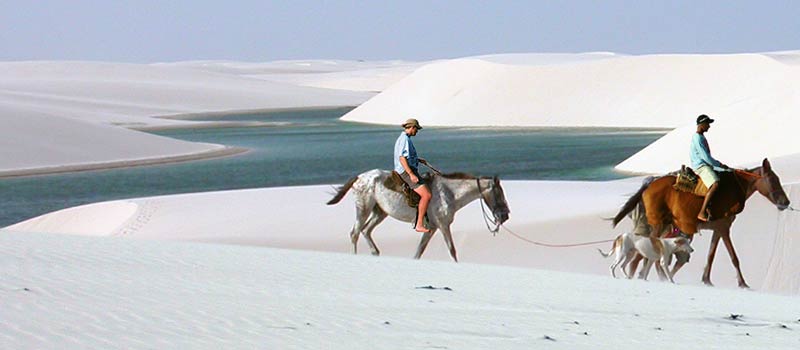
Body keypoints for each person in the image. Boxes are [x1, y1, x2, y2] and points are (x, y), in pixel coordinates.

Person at [394, 118, 432, 233]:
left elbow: (406, 156)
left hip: (407, 168)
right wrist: (411, 174)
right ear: (412, 128)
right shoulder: (405, 139)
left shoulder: (403, 138)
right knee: (427, 195)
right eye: (416, 129)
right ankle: (419, 224)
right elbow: (402, 158)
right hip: (406, 171)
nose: (417, 132)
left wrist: (417, 159)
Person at [690, 114, 730, 221]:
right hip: (701, 166)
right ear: (701, 124)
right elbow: (705, 157)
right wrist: (720, 165)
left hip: (705, 165)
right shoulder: (697, 138)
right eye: (707, 124)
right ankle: (702, 212)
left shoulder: (701, 137)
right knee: (715, 183)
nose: (709, 126)